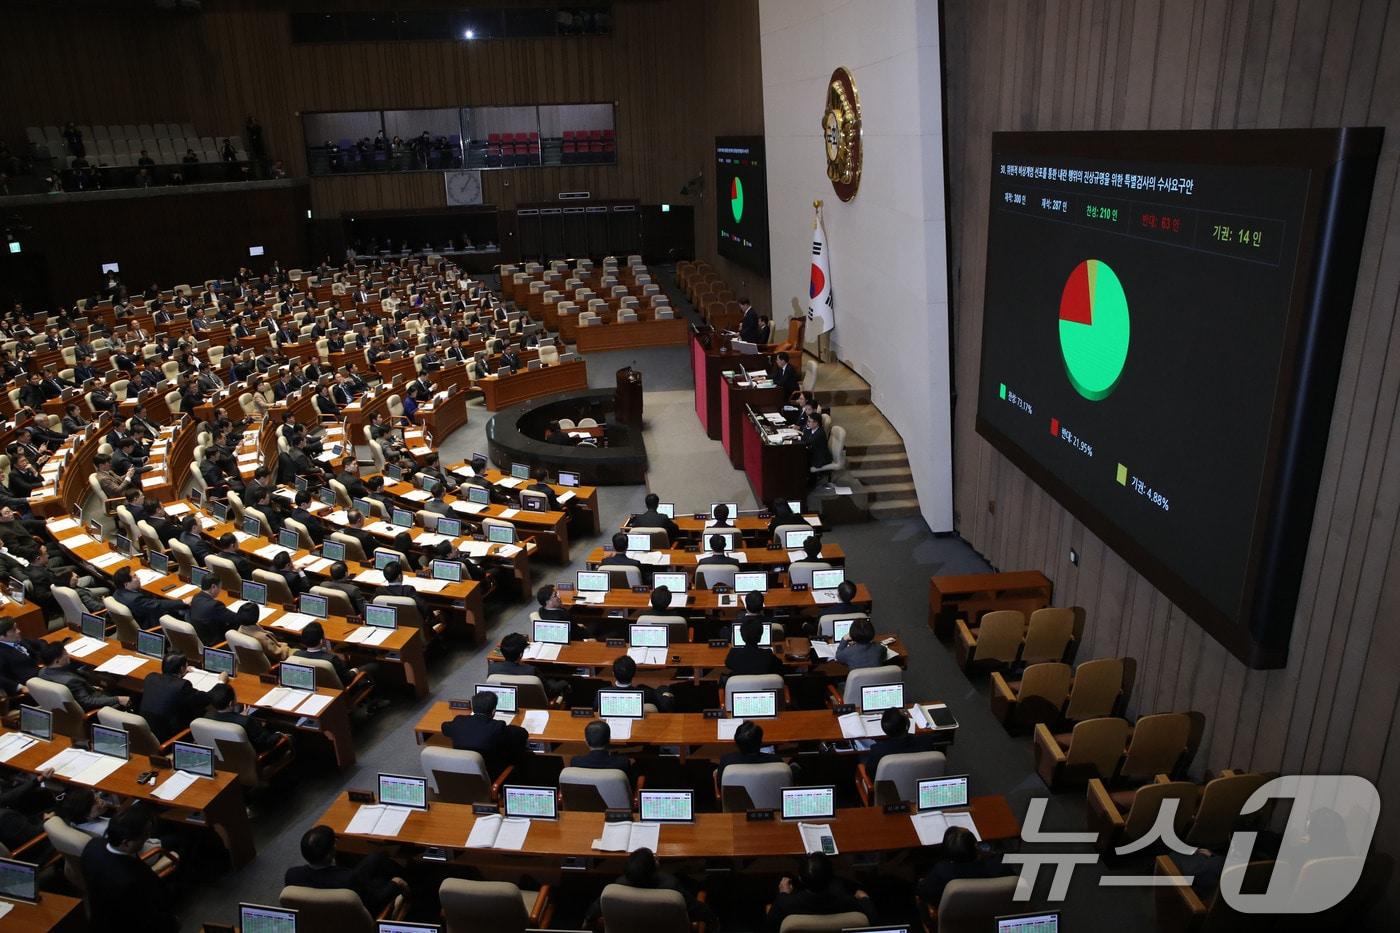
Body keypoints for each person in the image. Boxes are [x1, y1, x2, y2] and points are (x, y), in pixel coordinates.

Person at [82, 807, 180, 933]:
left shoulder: (93, 846)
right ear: (126, 843)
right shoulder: (132, 879)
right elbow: (153, 909)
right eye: (144, 838)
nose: (147, 839)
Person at [285, 825, 408, 916]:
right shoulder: (348, 880)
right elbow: (375, 903)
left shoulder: (292, 875)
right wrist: (395, 884)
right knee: (384, 879)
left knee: (376, 858)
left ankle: (383, 857)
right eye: (334, 842)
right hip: (358, 917)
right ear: (330, 854)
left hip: (321, 915)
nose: (336, 844)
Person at [583, 848, 717, 928]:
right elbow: (703, 913)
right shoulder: (671, 888)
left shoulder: (615, 888)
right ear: (655, 869)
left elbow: (590, 916)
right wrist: (714, 923)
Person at [767, 853, 876, 931]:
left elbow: (771, 924)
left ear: (800, 879)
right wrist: (863, 896)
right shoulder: (847, 901)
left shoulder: (785, 902)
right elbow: (871, 915)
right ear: (832, 879)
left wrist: (783, 893)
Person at [441, 690, 528, 777]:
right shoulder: (498, 728)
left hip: (463, 773)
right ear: (494, 711)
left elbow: (444, 727)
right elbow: (523, 734)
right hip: (492, 775)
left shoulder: (459, 721)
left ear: (473, 707)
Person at [141, 654, 227, 741]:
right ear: (182, 668)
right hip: (171, 737)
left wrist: (182, 674)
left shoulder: (150, 677)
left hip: (146, 731)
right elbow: (206, 698)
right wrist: (221, 682)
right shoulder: (182, 686)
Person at [916, 826, 1008, 905]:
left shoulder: (942, 871)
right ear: (976, 848)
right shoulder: (997, 866)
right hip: (988, 909)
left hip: (951, 914)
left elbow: (923, 893)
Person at [38, 642, 128, 711]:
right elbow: (88, 702)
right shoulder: (70, 681)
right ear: (57, 661)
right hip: (95, 703)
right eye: (65, 654)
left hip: (68, 704)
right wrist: (118, 699)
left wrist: (89, 687)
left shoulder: (42, 672)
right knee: (129, 693)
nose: (68, 655)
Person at [207, 682, 283, 753]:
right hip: (259, 759)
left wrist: (239, 717)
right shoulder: (246, 722)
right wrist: (279, 734)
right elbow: (267, 743)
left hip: (226, 758)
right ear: (231, 703)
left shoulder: (206, 717)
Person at [863, 707, 938, 775]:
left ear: (884, 729)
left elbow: (869, 774)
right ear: (907, 724)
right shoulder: (927, 741)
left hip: (888, 788)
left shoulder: (878, 750)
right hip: (918, 782)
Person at [112, 566, 188, 628]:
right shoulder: (135, 599)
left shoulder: (117, 593)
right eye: (135, 577)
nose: (139, 578)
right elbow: (158, 605)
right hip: (152, 624)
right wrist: (183, 602)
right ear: (126, 584)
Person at [716, 720, 782, 781]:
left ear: (736, 743)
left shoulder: (726, 761)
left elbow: (720, 787)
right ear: (760, 742)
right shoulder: (777, 761)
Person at [189, 574, 240, 647]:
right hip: (214, 643)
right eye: (220, 587)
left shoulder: (196, 597)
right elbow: (235, 618)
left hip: (202, 638)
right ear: (213, 587)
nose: (220, 590)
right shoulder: (214, 605)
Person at [0, 620, 43, 698]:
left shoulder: (16, 640)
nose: (19, 631)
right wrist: (20, 687)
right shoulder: (2, 653)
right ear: (2, 636)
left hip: (43, 670)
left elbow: (38, 643)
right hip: (31, 685)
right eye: (14, 630)